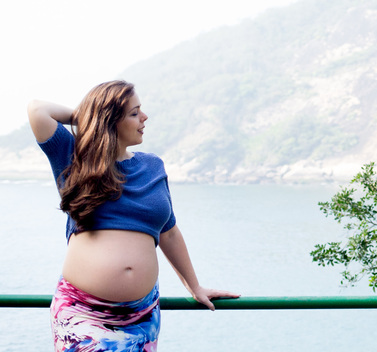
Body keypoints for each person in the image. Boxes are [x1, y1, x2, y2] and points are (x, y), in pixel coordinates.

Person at [28, 80, 238, 351]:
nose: (144, 117)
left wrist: (194, 287)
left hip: (141, 316)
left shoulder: (153, 166)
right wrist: (89, 118)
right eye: (134, 113)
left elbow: (169, 233)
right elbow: (37, 110)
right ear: (110, 120)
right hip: (83, 313)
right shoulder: (73, 158)